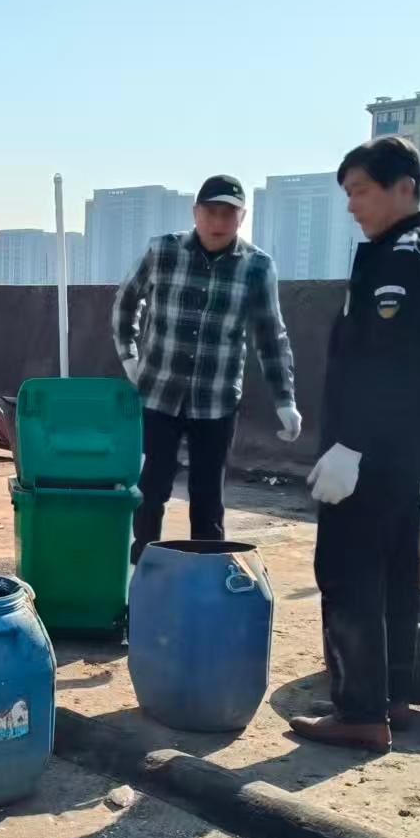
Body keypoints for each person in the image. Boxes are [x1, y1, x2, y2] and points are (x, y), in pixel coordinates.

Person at [290, 136, 420, 752]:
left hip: (370, 456)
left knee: (347, 574)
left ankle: (360, 712)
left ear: (404, 188)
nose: (352, 205)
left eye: (361, 191)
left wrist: (351, 447)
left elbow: (389, 365)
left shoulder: (404, 260)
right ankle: (390, 696)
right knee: (394, 578)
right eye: (348, 193)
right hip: (401, 457)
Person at [112, 174, 302, 562]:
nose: (218, 222)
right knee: (150, 490)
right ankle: (145, 568)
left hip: (216, 401)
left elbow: (270, 336)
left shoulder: (257, 267)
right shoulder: (163, 251)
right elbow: (127, 301)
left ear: (242, 217)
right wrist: (129, 356)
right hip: (159, 393)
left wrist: (285, 400)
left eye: (228, 214)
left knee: (208, 498)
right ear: (195, 212)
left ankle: (207, 573)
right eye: (211, 212)